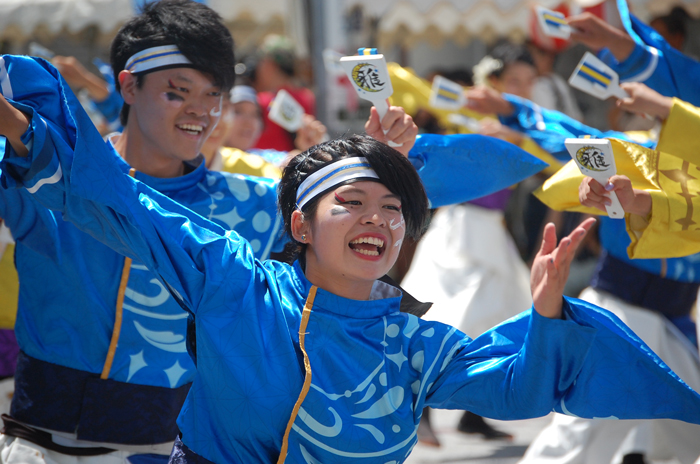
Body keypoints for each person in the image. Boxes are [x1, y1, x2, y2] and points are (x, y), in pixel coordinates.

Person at [4, 69, 700, 464]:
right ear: (300, 224)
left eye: (394, 207)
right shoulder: (235, 283)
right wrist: (34, 136)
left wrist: (547, 314)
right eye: (353, 202)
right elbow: (127, 206)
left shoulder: (416, 344)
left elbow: (518, 390)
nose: (378, 218)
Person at [478, 85, 700, 464]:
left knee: (690, 428)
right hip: (618, 311)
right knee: (582, 430)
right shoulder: (628, 151)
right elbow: (567, 135)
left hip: (674, 320)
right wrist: (513, 108)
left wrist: (643, 201)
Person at [251, 35, 317, 152]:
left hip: (269, 167)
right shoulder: (307, 97)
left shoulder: (261, 102)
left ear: (269, 65)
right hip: (298, 163)